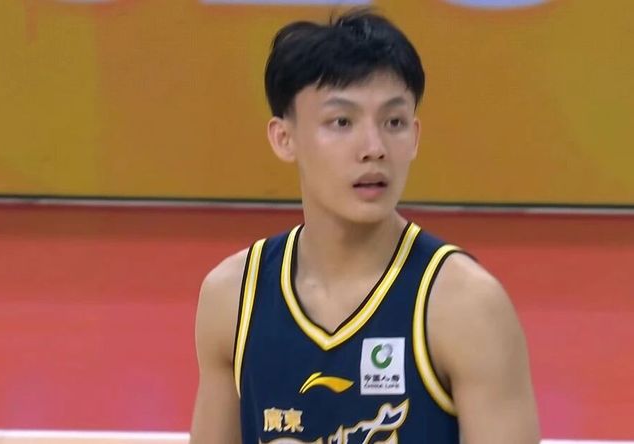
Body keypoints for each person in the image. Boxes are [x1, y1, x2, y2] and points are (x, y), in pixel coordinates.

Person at [189, 8, 539, 444]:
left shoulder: (465, 307)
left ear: (415, 137)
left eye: (394, 123)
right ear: (284, 138)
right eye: (342, 122)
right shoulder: (233, 297)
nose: (374, 148)